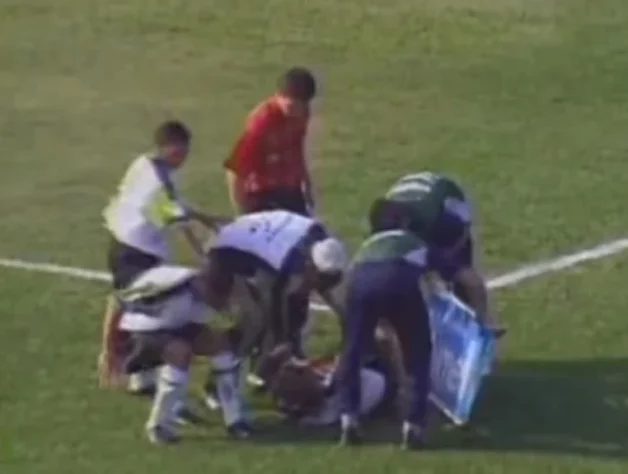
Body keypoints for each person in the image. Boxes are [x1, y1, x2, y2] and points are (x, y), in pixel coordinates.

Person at [98, 120, 227, 395]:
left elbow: (177, 205)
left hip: (132, 244)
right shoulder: (158, 183)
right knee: (136, 306)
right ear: (165, 148)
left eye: (185, 153)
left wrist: (206, 218)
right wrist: (202, 253)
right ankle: (117, 358)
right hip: (135, 251)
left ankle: (142, 375)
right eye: (178, 154)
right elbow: (178, 222)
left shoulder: (146, 164)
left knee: (145, 306)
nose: (182, 160)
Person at [200, 210, 349, 407]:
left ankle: (265, 372)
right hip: (226, 258)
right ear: (308, 266)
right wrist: (288, 358)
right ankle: (216, 384)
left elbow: (324, 291)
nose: (322, 286)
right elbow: (278, 321)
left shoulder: (322, 244)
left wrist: (347, 322)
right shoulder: (283, 265)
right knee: (255, 324)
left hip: (258, 240)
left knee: (293, 313)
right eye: (321, 279)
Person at [100, 263, 250, 444]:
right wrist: (108, 350)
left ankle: (235, 420)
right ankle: (159, 426)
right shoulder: (168, 284)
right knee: (180, 352)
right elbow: (117, 301)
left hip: (179, 325)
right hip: (144, 330)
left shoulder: (209, 296)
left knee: (221, 344)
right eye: (219, 299)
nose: (220, 305)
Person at [334, 204, 433, 450]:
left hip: (359, 285)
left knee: (352, 353)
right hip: (400, 283)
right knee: (417, 353)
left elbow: (353, 279)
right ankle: (413, 425)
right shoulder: (412, 241)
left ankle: (348, 419)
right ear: (403, 222)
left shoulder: (365, 247)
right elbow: (455, 273)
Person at [375, 172, 502, 330]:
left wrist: (447, 265)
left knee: (460, 275)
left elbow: (469, 278)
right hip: (419, 208)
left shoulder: (446, 224)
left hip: (444, 208)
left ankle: (482, 324)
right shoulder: (387, 227)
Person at [223, 67, 318, 216]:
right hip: (261, 194)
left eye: (301, 106)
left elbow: (296, 147)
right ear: (279, 96)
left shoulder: (301, 113)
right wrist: (241, 214)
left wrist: (305, 182)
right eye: (291, 106)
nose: (296, 113)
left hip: (288, 189)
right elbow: (235, 170)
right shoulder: (262, 122)